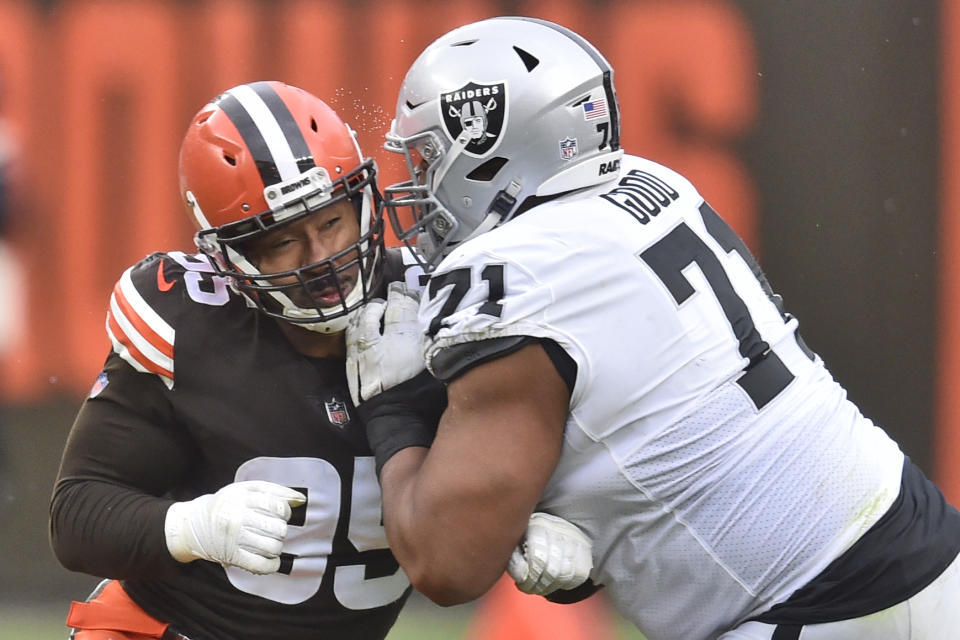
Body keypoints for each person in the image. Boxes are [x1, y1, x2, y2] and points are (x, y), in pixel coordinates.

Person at [345, 16, 960, 640]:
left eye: (427, 159)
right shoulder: (650, 183)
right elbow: (638, 420)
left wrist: (392, 408)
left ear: (492, 153)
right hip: (920, 538)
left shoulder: (510, 273)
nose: (416, 184)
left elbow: (446, 563)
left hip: (810, 608)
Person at [49, 80, 591, 640]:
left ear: (363, 201)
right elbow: (77, 515)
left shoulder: (439, 308)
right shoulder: (194, 327)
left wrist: (554, 533)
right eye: (282, 241)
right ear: (230, 255)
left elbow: (554, 489)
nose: (322, 259)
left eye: (332, 221)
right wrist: (191, 526)